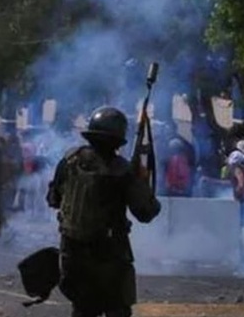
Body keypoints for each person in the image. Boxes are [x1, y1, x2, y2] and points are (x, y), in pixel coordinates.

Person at [46, 106, 161, 317]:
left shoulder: (70, 160)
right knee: (116, 309)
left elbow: (53, 199)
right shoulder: (122, 170)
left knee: (82, 309)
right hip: (110, 255)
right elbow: (146, 212)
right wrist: (142, 180)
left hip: (72, 252)